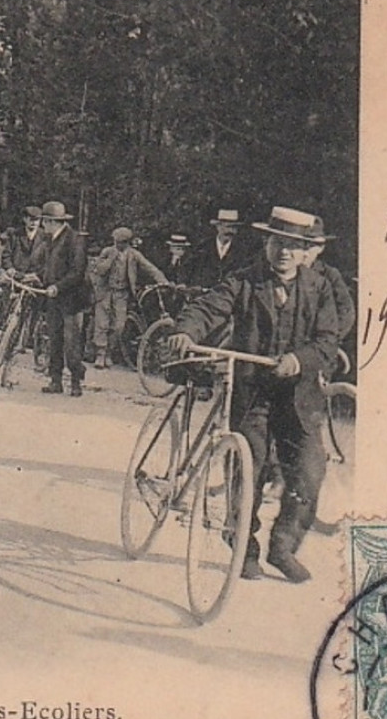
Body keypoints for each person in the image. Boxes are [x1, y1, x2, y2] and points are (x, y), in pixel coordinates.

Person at [164, 207, 345, 584]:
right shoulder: (244, 282)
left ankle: (283, 547)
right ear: (267, 243)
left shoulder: (320, 287)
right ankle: (243, 544)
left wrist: (298, 360)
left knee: (309, 473)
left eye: (294, 246)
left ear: (306, 250)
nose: (284, 253)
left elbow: (328, 342)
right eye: (278, 243)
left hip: (299, 398)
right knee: (250, 466)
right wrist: (186, 332)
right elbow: (207, 308)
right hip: (253, 394)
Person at [30, 201, 89, 396]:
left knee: (71, 342)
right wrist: (38, 277)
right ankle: (55, 381)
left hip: (71, 300)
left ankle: (75, 382)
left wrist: (58, 286)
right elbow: (47, 267)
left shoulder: (75, 240)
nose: (42, 226)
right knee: (54, 339)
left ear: (51, 221)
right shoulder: (49, 240)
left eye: (44, 222)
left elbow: (77, 272)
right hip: (53, 298)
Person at [87, 226, 168, 366]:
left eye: (121, 242)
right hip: (105, 292)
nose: (118, 244)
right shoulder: (107, 252)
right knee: (102, 323)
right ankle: (100, 354)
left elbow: (149, 268)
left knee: (119, 325)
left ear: (127, 242)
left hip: (122, 294)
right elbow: (99, 270)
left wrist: (163, 280)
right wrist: (110, 260)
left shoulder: (133, 255)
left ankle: (109, 352)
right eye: (116, 241)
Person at [184, 208, 252, 289]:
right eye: (227, 227)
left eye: (234, 228)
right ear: (218, 227)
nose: (230, 231)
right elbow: (188, 270)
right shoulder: (203, 247)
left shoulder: (243, 251)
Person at [4, 205, 44, 277]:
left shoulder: (45, 236)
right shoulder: (15, 235)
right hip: (16, 275)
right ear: (24, 219)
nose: (34, 223)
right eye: (31, 219)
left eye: (37, 220)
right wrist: (9, 268)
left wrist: (39, 273)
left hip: (36, 276)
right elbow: (6, 255)